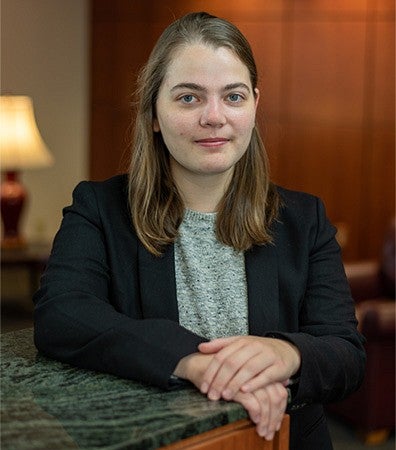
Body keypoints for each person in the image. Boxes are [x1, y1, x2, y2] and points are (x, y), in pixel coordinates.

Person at [33, 11, 366, 450]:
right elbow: (61, 315)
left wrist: (286, 355)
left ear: (254, 105)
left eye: (233, 96)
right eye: (189, 98)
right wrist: (192, 360)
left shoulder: (304, 219)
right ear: (154, 113)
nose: (214, 117)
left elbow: (346, 354)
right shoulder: (98, 208)